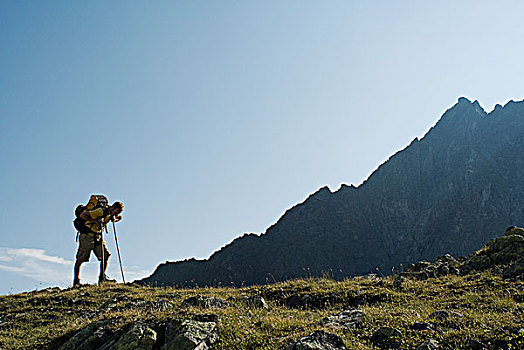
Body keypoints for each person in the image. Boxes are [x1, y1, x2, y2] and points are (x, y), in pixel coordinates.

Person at [73, 196, 124, 286]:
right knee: (80, 259)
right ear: (112, 207)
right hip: (87, 236)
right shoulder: (100, 211)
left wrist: (117, 218)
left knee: (106, 255)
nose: (115, 214)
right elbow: (82, 215)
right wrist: (96, 220)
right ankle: (76, 281)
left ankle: (102, 279)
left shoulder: (109, 214)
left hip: (98, 237)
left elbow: (112, 217)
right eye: (116, 211)